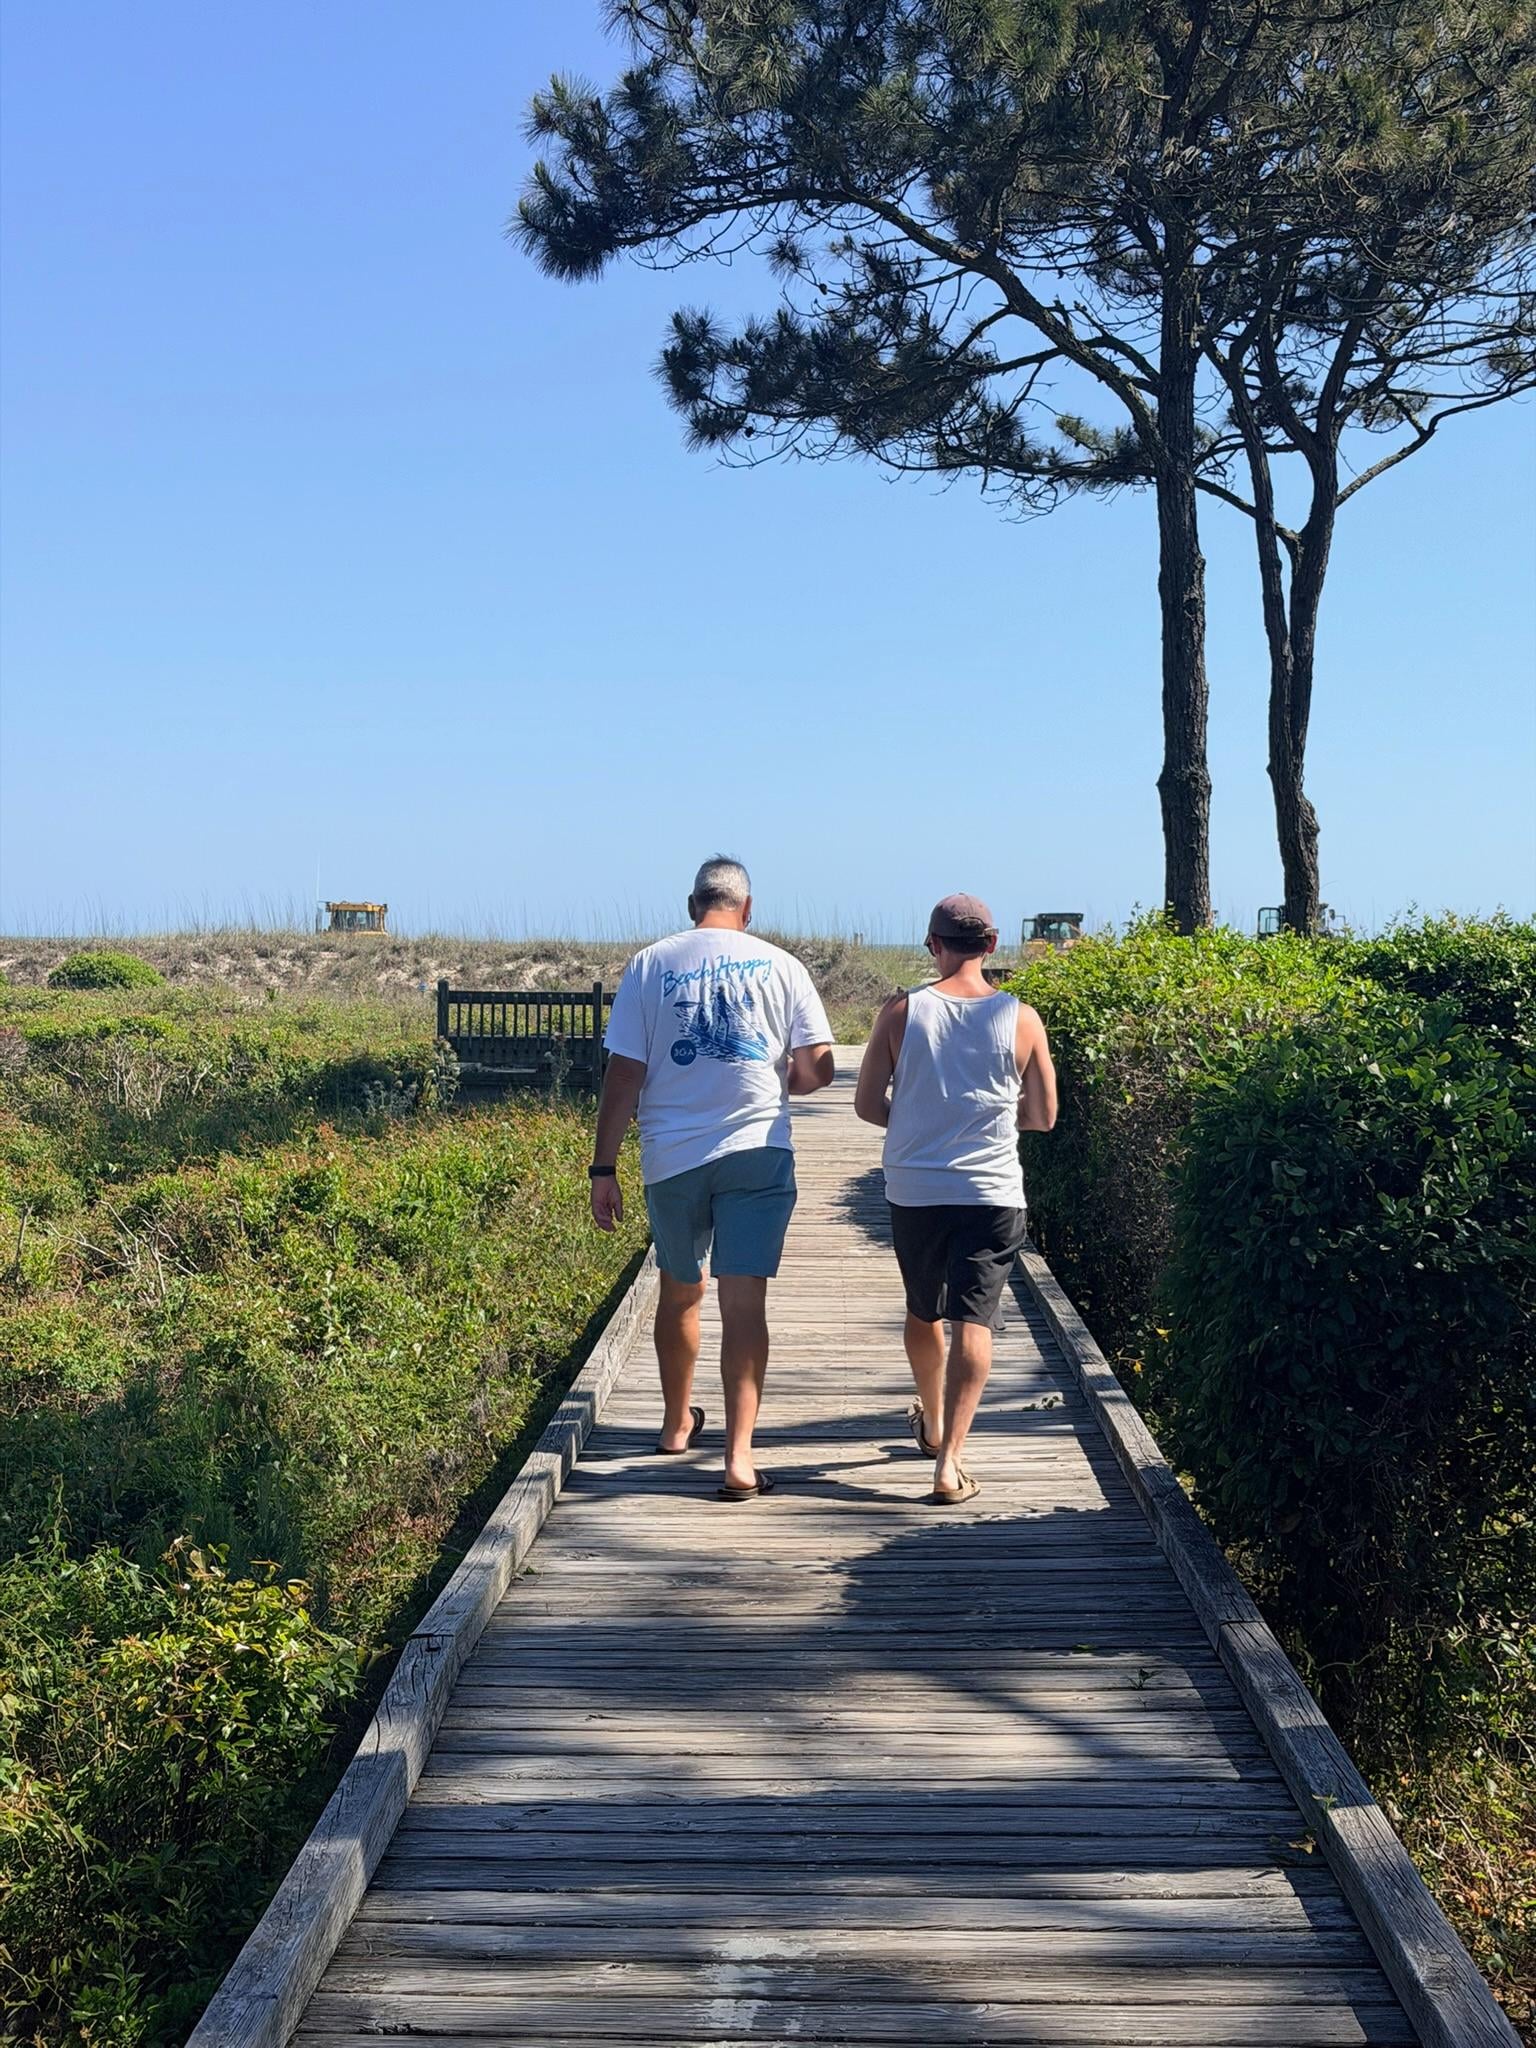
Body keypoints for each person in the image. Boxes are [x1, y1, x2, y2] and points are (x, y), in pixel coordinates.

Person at [589, 858, 835, 1499]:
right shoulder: (783, 965)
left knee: (680, 1290)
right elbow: (818, 1068)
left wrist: (604, 1166)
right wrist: (785, 1081)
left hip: (671, 1158)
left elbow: (623, 1075)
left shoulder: (649, 964)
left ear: (691, 904)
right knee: (744, 1304)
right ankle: (739, 1458)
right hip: (758, 1150)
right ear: (747, 909)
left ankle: (675, 1426)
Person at [854, 894, 1057, 1505]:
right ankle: (950, 1462)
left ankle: (933, 1421)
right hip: (992, 1189)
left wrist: (918, 1124)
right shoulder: (1021, 1018)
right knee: (977, 1318)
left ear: (932, 945)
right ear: (992, 946)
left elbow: (866, 1105)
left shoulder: (901, 1011)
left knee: (924, 1311)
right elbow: (1043, 1116)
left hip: (916, 1187)